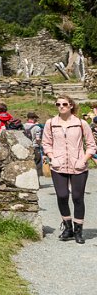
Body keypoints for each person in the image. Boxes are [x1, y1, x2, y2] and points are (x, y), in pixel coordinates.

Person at [41, 96, 97, 244]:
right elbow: (46, 143)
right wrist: (52, 157)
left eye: (64, 104)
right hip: (58, 165)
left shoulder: (81, 123)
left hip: (78, 166)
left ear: (71, 105)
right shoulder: (50, 123)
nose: (61, 106)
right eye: (58, 104)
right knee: (62, 195)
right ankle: (68, 228)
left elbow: (91, 145)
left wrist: (83, 160)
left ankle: (78, 231)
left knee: (77, 198)